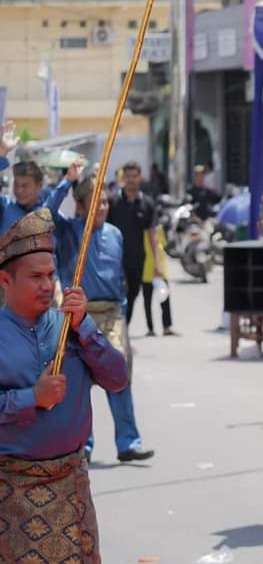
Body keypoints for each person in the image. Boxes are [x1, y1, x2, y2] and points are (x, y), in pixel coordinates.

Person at [0, 210, 129, 564]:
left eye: (51, 275)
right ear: (5, 281)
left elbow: (118, 378)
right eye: (35, 277)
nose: (46, 284)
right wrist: (32, 399)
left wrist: (85, 326)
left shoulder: (69, 326)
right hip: (12, 492)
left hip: (71, 484)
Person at [53, 176, 155, 463]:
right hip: (77, 315)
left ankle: (128, 442)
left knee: (119, 371)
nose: (102, 206)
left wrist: (121, 308)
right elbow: (47, 211)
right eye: (96, 201)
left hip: (111, 314)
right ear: (83, 206)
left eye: (105, 201)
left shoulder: (115, 234)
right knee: (79, 379)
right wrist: (66, 181)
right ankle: (83, 446)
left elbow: (120, 276)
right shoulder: (69, 231)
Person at [108, 162, 163, 333]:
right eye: (128, 176)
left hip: (138, 258)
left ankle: (124, 330)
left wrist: (157, 263)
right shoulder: (113, 202)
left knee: (132, 295)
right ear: (123, 178)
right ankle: (117, 332)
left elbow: (152, 235)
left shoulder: (147, 203)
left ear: (140, 178)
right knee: (117, 296)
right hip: (115, 260)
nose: (131, 180)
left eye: (134, 176)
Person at [141, 223, 175, 335]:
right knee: (149, 301)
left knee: (163, 299)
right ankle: (151, 328)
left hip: (158, 268)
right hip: (149, 268)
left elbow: (161, 246)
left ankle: (165, 327)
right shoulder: (144, 228)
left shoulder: (158, 228)